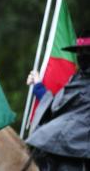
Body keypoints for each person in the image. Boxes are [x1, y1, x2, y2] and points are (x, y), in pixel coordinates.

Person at [26, 30, 90, 170]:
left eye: (86, 51)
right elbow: (57, 107)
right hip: (63, 144)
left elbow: (57, 108)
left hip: (78, 147)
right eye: (79, 52)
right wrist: (38, 85)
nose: (82, 55)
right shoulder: (78, 78)